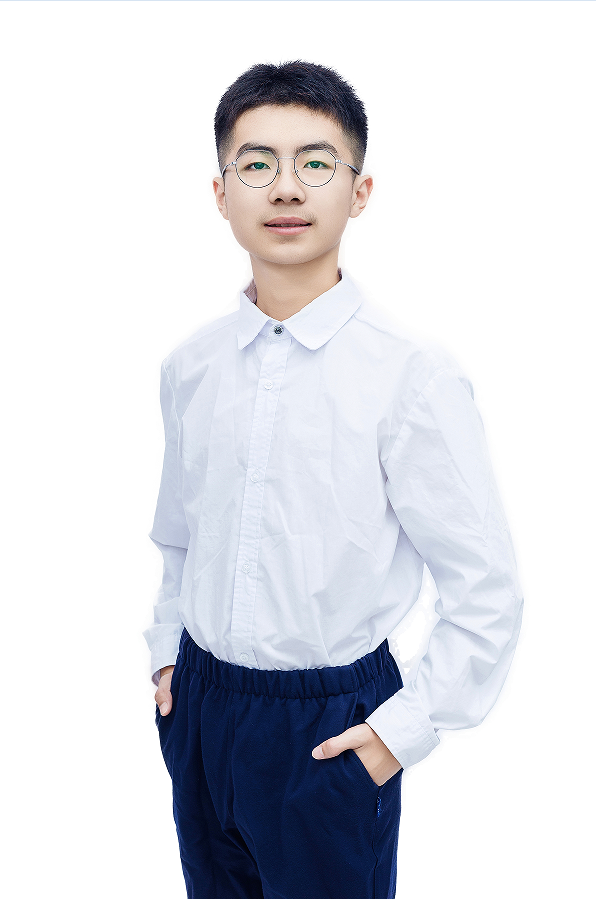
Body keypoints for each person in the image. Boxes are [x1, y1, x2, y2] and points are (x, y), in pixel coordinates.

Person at [142, 60, 524, 899]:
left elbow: (487, 588)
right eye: (256, 164)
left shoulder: (411, 374)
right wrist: (169, 661)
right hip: (203, 706)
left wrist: (399, 733)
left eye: (316, 163)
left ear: (360, 191)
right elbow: (179, 536)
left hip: (330, 726)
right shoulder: (191, 366)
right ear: (220, 193)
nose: (286, 186)